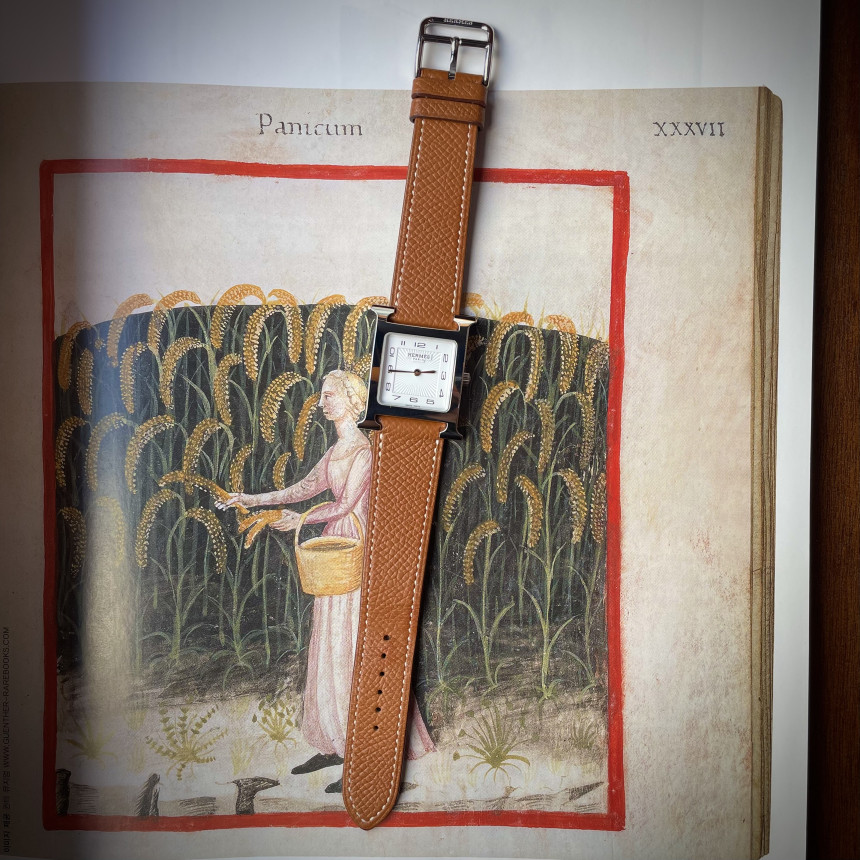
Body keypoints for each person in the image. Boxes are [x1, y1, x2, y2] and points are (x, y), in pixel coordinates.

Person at [220, 369, 434, 794]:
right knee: (330, 642)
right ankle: (336, 741)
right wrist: (249, 499)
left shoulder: (365, 451)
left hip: (355, 546)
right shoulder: (337, 450)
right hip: (333, 547)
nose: (321, 403)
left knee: (353, 643)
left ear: (353, 400)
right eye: (321, 396)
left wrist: (300, 520)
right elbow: (302, 488)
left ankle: (367, 751)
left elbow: (344, 506)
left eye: (329, 395)